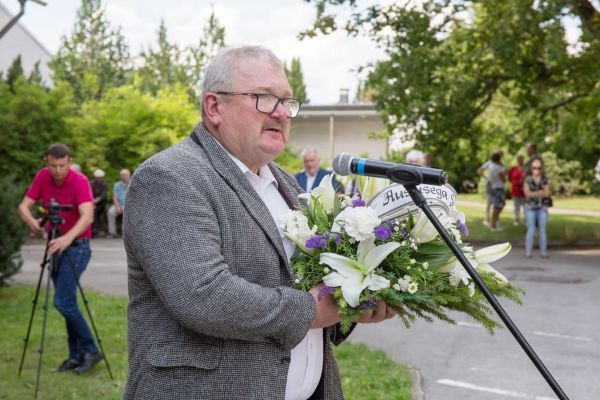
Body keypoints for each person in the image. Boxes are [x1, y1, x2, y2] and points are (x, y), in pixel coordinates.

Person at [123, 46, 396, 400]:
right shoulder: (170, 177)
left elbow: (315, 284)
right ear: (214, 107)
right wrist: (310, 310)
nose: (282, 112)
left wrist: (352, 308)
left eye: (287, 101)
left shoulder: (288, 186)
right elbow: (204, 296)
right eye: (264, 98)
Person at [17, 144, 103, 373]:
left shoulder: (80, 180)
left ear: (69, 161)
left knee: (63, 302)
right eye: (53, 165)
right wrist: (32, 223)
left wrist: (67, 238)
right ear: (46, 161)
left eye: (62, 165)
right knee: (68, 303)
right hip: (55, 246)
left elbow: (87, 216)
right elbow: (24, 207)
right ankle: (75, 357)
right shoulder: (42, 177)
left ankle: (91, 350)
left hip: (77, 247)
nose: (58, 170)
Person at [523, 156, 551, 258]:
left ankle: (543, 252)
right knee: (530, 230)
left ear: (541, 168)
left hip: (542, 209)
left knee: (542, 231)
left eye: (539, 168)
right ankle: (528, 252)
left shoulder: (544, 179)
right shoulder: (528, 179)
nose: (537, 170)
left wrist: (535, 193)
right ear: (531, 168)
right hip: (530, 209)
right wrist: (540, 192)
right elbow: (527, 194)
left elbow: (547, 193)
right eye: (534, 168)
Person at [477, 150, 504, 227]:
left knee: (497, 203)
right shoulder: (489, 162)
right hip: (490, 184)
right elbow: (479, 171)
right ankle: (487, 219)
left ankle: (495, 220)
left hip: (498, 185)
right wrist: (486, 178)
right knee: (490, 202)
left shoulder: (501, 164)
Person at [106, 169, 130, 238]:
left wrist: (125, 207)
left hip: (129, 205)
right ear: (121, 176)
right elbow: (115, 197)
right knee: (110, 212)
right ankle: (112, 232)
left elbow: (134, 197)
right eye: (124, 175)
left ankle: (128, 234)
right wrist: (117, 206)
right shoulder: (117, 185)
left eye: (127, 175)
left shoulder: (132, 184)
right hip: (119, 204)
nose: (126, 176)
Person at [508, 155, 526, 226]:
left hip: (524, 189)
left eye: (521, 159)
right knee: (516, 205)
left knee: (525, 206)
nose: (519, 160)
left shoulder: (526, 168)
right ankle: (516, 219)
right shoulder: (513, 168)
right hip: (515, 189)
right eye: (518, 159)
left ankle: (526, 219)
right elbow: (509, 178)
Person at [91, 169, 108, 236]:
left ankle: (95, 228)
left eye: (99, 177)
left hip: (101, 204)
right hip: (92, 202)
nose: (98, 179)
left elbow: (102, 196)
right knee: (92, 209)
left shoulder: (104, 184)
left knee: (94, 210)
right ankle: (93, 229)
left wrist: (94, 202)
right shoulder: (91, 183)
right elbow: (90, 193)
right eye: (97, 177)